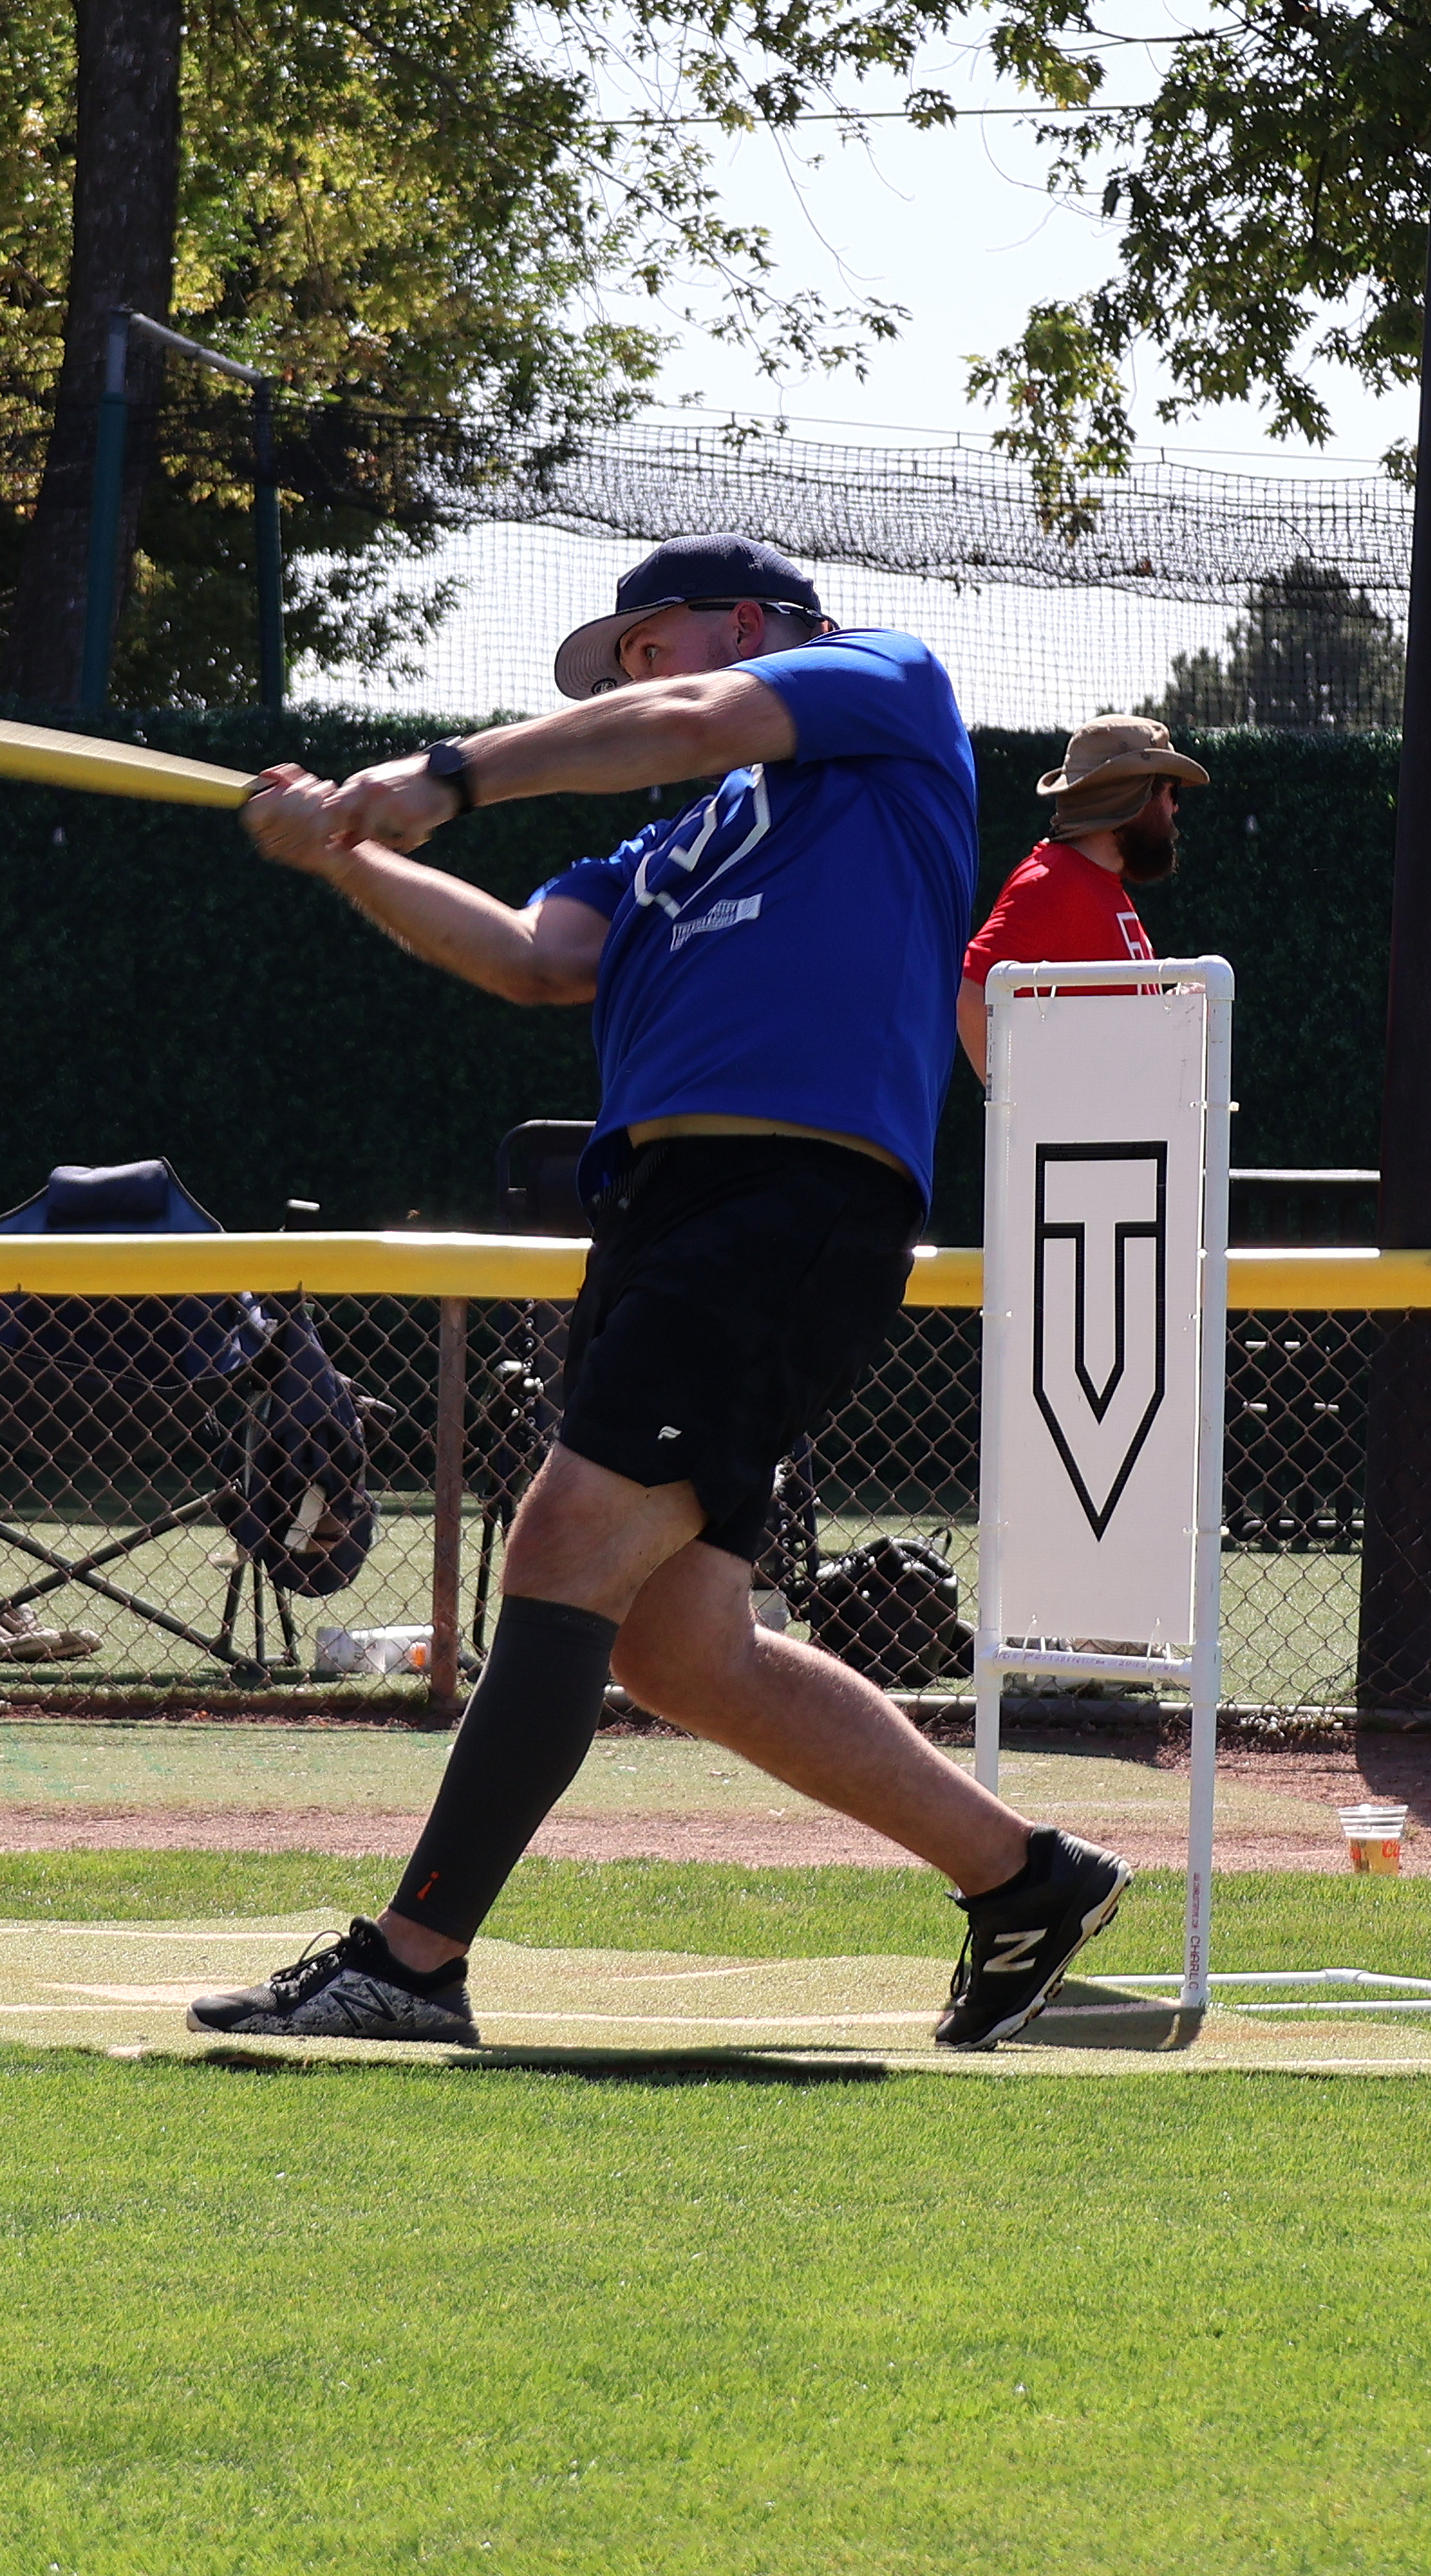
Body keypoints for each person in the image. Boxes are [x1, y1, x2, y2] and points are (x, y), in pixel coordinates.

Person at [191, 534, 1130, 2051]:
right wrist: (349, 853)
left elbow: (694, 725)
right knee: (678, 1647)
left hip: (789, 1197)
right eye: (616, 665)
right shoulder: (658, 855)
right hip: (666, 1214)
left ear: (759, 625)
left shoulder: (884, 686)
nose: (634, 678)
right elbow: (529, 958)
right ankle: (1026, 1880)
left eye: (648, 642)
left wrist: (439, 777)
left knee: (565, 1540)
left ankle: (416, 1960)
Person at [955, 713, 1206, 1078]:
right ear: (1133, 795)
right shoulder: (1050, 881)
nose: (1175, 808)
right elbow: (972, 990)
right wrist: (1016, 1113)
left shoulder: (1101, 884)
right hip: (1078, 1137)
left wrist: (1170, 1012)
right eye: (1171, 791)